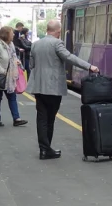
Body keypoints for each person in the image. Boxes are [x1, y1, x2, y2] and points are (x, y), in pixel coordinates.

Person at [27, 19, 97, 160]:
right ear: (58, 31)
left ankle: (43, 149)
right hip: (53, 88)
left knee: (41, 118)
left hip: (38, 87)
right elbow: (69, 57)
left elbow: (31, 65)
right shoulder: (57, 43)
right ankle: (47, 150)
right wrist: (89, 66)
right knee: (50, 119)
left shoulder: (35, 44)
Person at [0, 26, 28, 128]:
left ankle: (17, 119)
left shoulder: (10, 44)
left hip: (10, 77)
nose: (14, 35)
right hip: (0, 77)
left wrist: (16, 62)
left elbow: (13, 57)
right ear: (6, 34)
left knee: (12, 97)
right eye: (12, 33)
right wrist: (3, 72)